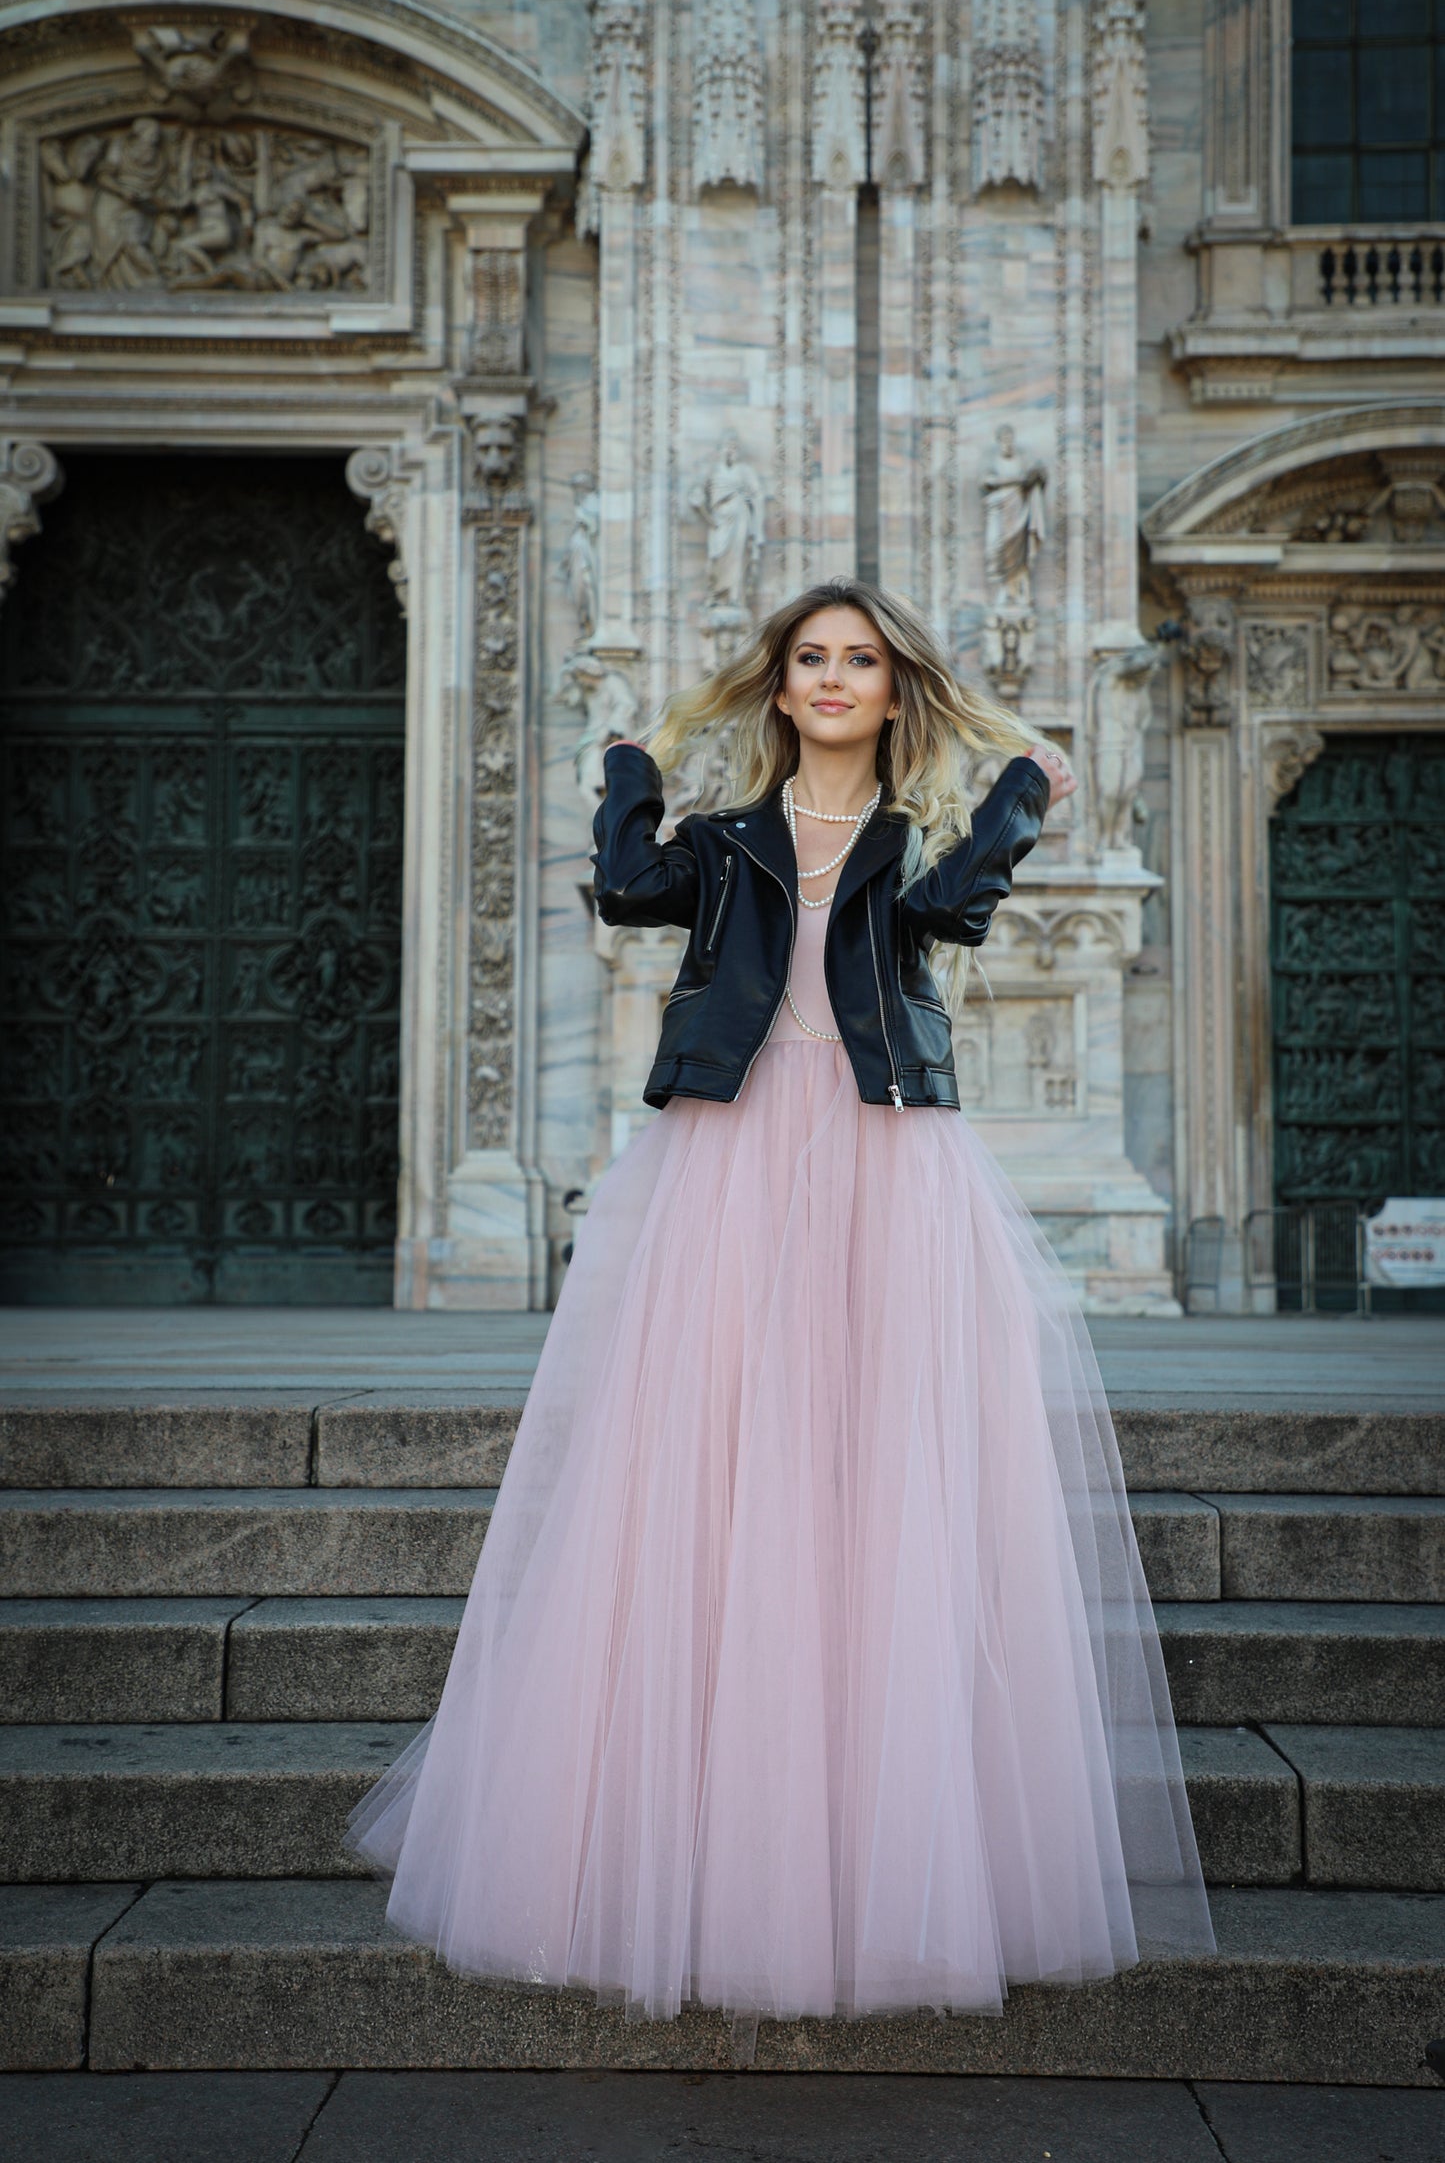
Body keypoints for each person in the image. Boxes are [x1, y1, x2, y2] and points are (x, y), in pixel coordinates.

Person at [343, 577, 1215, 2060]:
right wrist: (622, 766)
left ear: (892, 693)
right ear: (777, 685)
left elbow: (946, 914)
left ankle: (872, 1831)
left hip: (884, 1152)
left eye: (857, 662)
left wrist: (1021, 793)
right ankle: (708, 1822)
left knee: (873, 1473)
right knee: (710, 1462)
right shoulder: (725, 841)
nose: (829, 679)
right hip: (729, 1156)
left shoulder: (916, 839)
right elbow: (626, 892)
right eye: (809, 659)